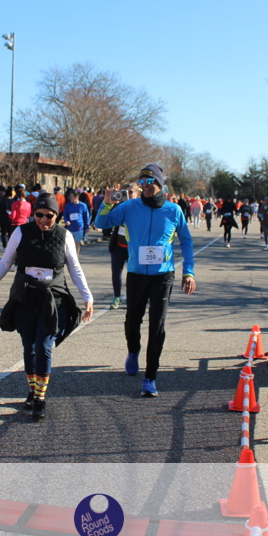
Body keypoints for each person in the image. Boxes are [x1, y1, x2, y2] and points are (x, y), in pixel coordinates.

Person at [0, 193, 92, 421]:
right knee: (29, 347)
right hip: (25, 298)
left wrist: (87, 296)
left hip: (53, 300)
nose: (43, 219)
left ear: (56, 216)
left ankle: (40, 399)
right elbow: (6, 262)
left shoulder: (64, 235)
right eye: (38, 215)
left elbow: (74, 268)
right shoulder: (21, 232)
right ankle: (33, 391)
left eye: (48, 216)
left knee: (44, 346)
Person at [94, 164, 195, 397]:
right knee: (132, 321)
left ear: (160, 184)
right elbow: (101, 223)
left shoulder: (174, 210)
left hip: (163, 275)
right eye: (141, 182)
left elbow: (186, 241)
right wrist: (107, 203)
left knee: (157, 326)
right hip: (137, 274)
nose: (145, 186)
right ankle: (133, 351)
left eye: (149, 182)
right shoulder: (129, 207)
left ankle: (150, 377)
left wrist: (188, 272)